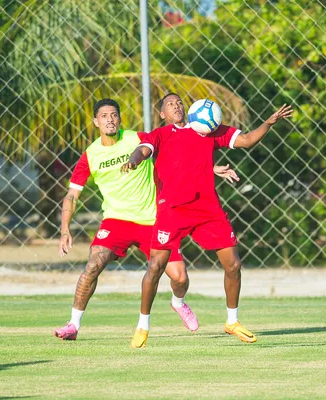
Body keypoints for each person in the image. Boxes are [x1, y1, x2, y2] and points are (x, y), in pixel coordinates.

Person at [54, 98, 239, 340]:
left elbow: (182, 151)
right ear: (96, 121)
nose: (110, 119)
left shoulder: (137, 138)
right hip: (116, 221)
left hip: (153, 220)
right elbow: (71, 196)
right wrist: (64, 229)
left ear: (119, 119)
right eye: (104, 116)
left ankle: (178, 302)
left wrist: (210, 169)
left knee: (180, 278)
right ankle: (73, 325)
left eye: (114, 115)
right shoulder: (90, 155)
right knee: (93, 265)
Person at [122, 93, 293, 348]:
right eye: (170, 104)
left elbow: (246, 141)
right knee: (156, 267)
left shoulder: (208, 129)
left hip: (207, 210)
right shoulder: (161, 134)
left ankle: (232, 321)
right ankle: (142, 325)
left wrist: (268, 123)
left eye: (179, 102)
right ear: (162, 114)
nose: (176, 106)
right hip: (172, 211)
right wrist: (133, 161)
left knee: (233, 265)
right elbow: (143, 150)